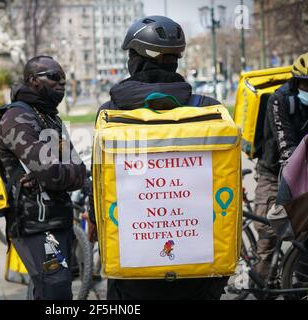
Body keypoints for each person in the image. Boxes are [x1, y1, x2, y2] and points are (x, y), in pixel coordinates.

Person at [90, 16, 228, 300]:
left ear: (136, 59)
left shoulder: (111, 114)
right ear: (174, 60)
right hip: (200, 266)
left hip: (133, 266)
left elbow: (100, 185)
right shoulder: (209, 110)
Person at [0, 56, 86, 300]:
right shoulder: (18, 118)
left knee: (53, 290)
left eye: (64, 79)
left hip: (58, 219)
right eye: (54, 77)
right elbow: (53, 173)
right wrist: (61, 170)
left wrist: (63, 170)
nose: (62, 83)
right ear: (33, 80)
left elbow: (78, 170)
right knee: (55, 292)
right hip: (35, 224)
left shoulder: (49, 118)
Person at [254, 51, 308, 280]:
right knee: (270, 225)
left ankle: (302, 282)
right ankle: (262, 281)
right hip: (273, 170)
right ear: (296, 81)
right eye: (306, 84)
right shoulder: (279, 100)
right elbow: (286, 146)